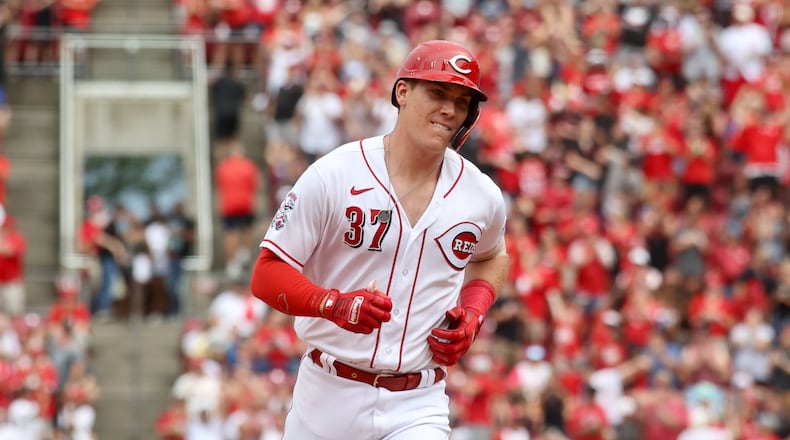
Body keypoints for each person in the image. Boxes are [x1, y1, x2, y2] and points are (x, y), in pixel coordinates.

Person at [250, 39, 509, 439]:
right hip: (327, 393)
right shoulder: (334, 173)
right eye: (437, 92)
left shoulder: (481, 194)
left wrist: (473, 313)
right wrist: (333, 304)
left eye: (461, 101)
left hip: (418, 401)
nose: (449, 109)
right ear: (402, 92)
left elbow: (493, 256)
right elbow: (267, 274)